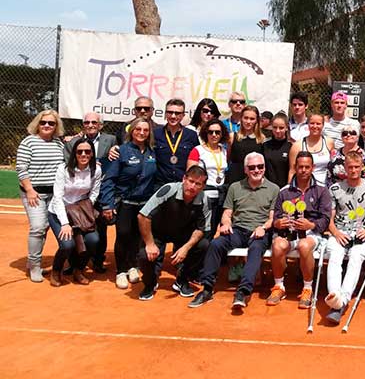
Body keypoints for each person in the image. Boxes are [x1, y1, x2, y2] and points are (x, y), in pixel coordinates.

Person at [189, 152, 280, 308]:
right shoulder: (235, 187)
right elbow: (227, 213)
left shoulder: (274, 189)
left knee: (256, 247)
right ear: (245, 170)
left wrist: (263, 228)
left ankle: (243, 292)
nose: (256, 170)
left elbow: (272, 218)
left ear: (264, 168)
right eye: (252, 167)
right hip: (237, 230)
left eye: (260, 166)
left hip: (259, 231)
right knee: (216, 244)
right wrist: (225, 224)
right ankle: (207, 289)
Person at [261, 151, 332, 309]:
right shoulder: (284, 191)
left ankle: (307, 288)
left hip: (311, 234)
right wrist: (279, 223)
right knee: (278, 245)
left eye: (307, 167)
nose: (304, 170)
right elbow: (276, 217)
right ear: (295, 167)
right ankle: (279, 286)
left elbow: (326, 218)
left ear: (313, 167)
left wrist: (311, 225)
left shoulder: (322, 191)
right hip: (288, 232)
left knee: (304, 246)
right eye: (300, 167)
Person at [324, 152, 365, 324]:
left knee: (356, 256)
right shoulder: (335, 189)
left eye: (356, 167)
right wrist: (336, 233)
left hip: (364, 234)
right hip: (340, 233)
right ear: (345, 168)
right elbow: (330, 219)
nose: (353, 170)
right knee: (335, 256)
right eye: (350, 167)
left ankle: (341, 301)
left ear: (361, 168)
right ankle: (335, 296)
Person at [136, 166, 211, 300]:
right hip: (158, 232)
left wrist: (186, 248)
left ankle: (182, 280)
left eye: (198, 184)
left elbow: (201, 229)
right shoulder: (168, 189)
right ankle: (150, 283)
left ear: (203, 186)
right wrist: (150, 243)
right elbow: (143, 215)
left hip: (183, 234)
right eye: (190, 181)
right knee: (144, 255)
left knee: (203, 245)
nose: (192, 186)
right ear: (184, 179)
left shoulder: (204, 200)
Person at [100, 118, 157, 290]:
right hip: (125, 202)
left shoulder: (152, 153)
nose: (141, 132)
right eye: (138, 129)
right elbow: (109, 179)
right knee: (123, 235)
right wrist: (107, 204)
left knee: (137, 237)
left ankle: (133, 266)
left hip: (144, 204)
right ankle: (121, 271)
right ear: (131, 131)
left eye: (145, 130)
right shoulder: (121, 151)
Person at [16, 110, 66, 282]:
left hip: (53, 194)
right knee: (38, 227)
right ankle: (35, 266)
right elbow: (21, 168)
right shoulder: (28, 142)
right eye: (43, 122)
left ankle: (32, 262)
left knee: (44, 227)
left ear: (56, 126)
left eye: (51, 123)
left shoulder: (58, 144)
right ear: (37, 123)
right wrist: (29, 190)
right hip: (34, 193)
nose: (46, 125)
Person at [46, 137, 102, 286]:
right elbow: (57, 197)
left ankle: (79, 270)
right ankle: (56, 271)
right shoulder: (63, 169)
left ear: (92, 153)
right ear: (74, 153)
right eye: (79, 151)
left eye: (87, 151)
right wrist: (65, 223)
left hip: (80, 212)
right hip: (58, 212)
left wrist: (85, 208)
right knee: (67, 245)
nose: (83, 154)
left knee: (93, 241)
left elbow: (94, 193)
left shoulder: (96, 170)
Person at [65, 111, 116, 273]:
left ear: (100, 125)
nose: (90, 125)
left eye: (94, 122)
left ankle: (98, 260)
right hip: (78, 194)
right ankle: (73, 263)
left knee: (100, 228)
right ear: (83, 125)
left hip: (101, 192)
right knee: (76, 228)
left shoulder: (111, 140)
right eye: (87, 123)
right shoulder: (73, 142)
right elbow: (68, 163)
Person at [187, 119, 229, 240]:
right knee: (203, 229)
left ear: (222, 134)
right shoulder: (198, 150)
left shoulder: (224, 150)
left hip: (220, 196)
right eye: (211, 132)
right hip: (204, 195)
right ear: (206, 133)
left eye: (217, 132)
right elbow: (190, 174)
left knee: (215, 228)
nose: (214, 135)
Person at [153, 99, 200, 188]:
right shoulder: (155, 134)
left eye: (177, 113)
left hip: (183, 185)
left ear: (183, 115)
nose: (173, 116)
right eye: (170, 112)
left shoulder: (191, 135)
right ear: (166, 114)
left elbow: (197, 158)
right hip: (160, 185)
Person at [226, 105, 267, 186]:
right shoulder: (232, 137)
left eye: (252, 119)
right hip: (235, 178)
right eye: (246, 118)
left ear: (257, 120)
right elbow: (228, 158)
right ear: (241, 118)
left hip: (254, 179)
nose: (248, 122)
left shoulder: (262, 139)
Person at [289, 113, 334, 186]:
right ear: (308, 125)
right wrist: (290, 190)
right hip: (304, 186)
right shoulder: (297, 146)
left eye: (318, 124)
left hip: (325, 187)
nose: (315, 126)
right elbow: (292, 171)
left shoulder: (329, 143)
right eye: (312, 123)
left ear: (323, 125)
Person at [263, 113, 292, 188]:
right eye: (275, 127)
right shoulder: (265, 145)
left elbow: (292, 170)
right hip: (267, 188)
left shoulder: (291, 147)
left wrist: (287, 188)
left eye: (281, 128)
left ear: (286, 128)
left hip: (284, 188)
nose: (277, 130)